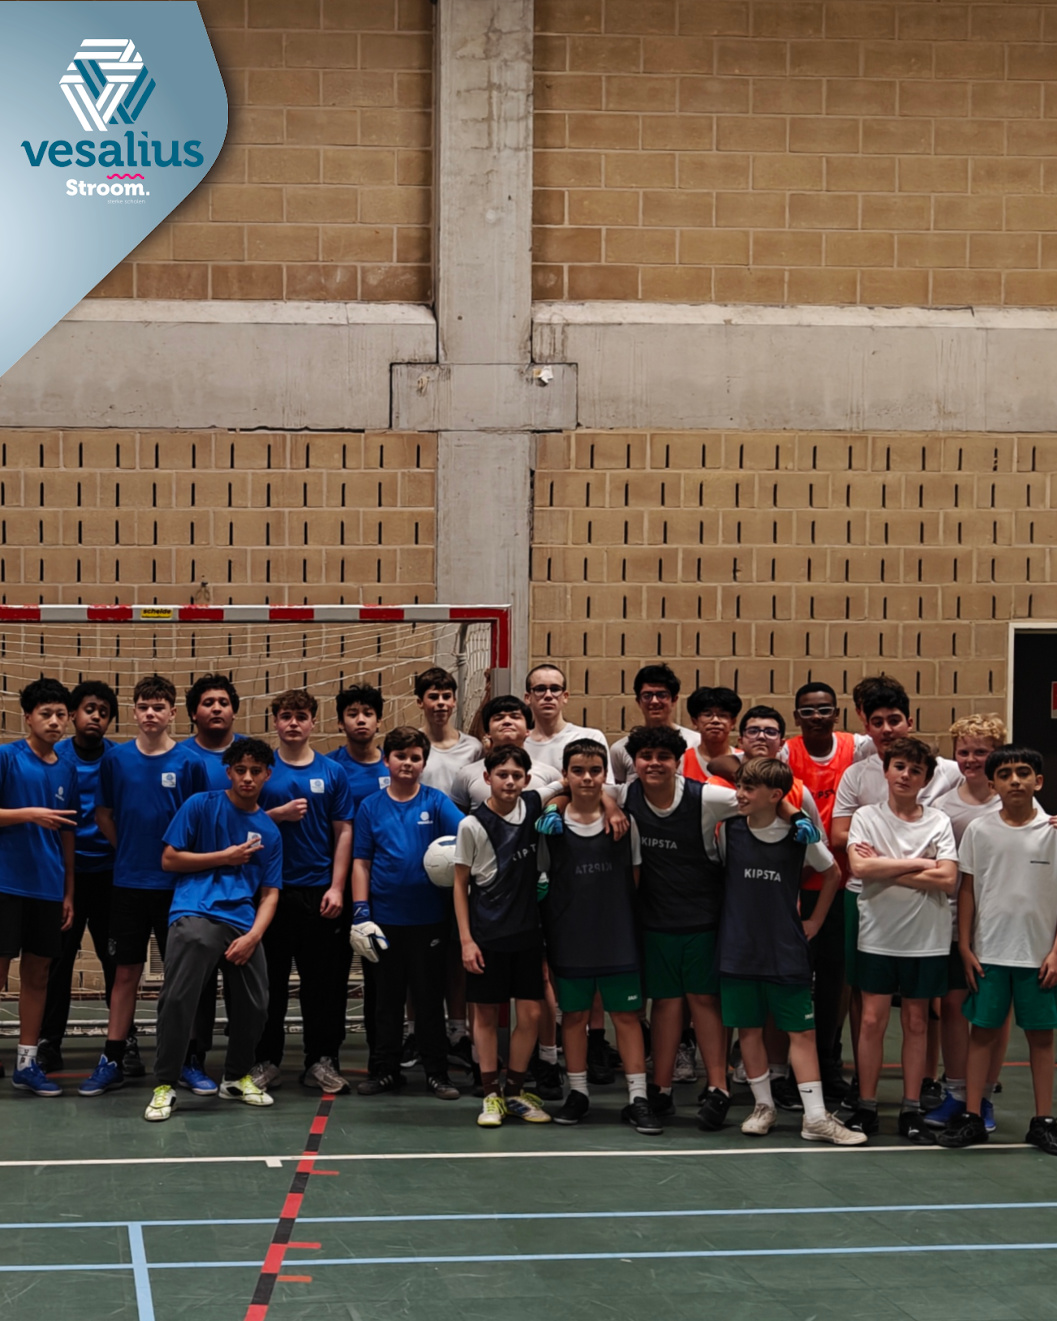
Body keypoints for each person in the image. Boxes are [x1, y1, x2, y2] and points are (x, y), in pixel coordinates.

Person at [717, 757, 862, 1145]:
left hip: (785, 948)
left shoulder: (799, 836)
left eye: (749, 789)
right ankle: (763, 1106)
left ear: (775, 796)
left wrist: (815, 921)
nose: (740, 794)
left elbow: (833, 874)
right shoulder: (728, 831)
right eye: (739, 786)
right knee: (749, 1029)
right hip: (738, 947)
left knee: (801, 1031)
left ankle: (815, 1117)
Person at [830, 676, 959, 1097]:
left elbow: (948, 873)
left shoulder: (946, 771)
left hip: (925, 915)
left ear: (909, 720)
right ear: (865, 724)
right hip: (869, 904)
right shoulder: (859, 778)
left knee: (921, 1011)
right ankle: (864, 1088)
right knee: (868, 1003)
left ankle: (922, 1086)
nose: (887, 728)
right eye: (878, 721)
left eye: (895, 720)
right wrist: (919, 862)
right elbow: (846, 844)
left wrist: (1042, 820)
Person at [82, 674, 208, 1098]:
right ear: (134, 712)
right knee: (125, 973)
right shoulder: (115, 760)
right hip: (128, 884)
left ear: (172, 713)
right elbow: (103, 814)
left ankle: (187, 1060)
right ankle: (112, 1059)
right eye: (143, 707)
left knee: (182, 977)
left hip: (178, 888)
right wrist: (130, 850)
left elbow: (199, 820)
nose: (150, 713)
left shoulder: (190, 763)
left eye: (159, 707)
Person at [147, 738, 283, 1122]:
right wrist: (225, 856)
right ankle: (165, 1084)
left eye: (255, 771)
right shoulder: (200, 805)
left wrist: (254, 936)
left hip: (242, 922)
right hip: (195, 912)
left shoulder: (270, 832)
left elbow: (270, 893)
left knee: (256, 1004)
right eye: (240, 770)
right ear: (229, 772)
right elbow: (169, 859)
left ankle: (236, 1077)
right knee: (179, 999)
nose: (247, 777)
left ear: (267, 775)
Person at [537, 738, 660, 1135]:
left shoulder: (625, 824)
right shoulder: (551, 825)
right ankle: (578, 1093)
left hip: (616, 935)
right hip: (569, 935)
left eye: (595, 771)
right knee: (573, 1016)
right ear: (565, 775)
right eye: (578, 771)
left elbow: (635, 878)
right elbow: (542, 877)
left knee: (625, 1016)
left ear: (606, 775)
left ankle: (638, 1098)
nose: (587, 778)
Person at [938, 746, 1057, 1154]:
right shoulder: (980, 831)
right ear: (993, 784)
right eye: (1005, 775)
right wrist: (965, 945)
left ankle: (1043, 1121)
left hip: (1038, 957)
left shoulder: (1053, 831)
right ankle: (972, 1115)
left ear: (1039, 781)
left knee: (1041, 1037)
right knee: (983, 1034)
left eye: (1023, 773)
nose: (1015, 781)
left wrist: (1055, 951)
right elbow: (967, 890)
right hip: (989, 954)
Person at [620, 725, 738, 1130]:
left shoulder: (707, 797)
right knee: (666, 1003)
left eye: (663, 757)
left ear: (678, 762)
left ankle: (719, 1087)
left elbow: (759, 796)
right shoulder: (624, 797)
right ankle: (662, 1088)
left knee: (703, 1000)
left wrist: (794, 815)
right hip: (655, 919)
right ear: (635, 762)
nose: (654, 763)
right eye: (646, 756)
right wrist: (606, 806)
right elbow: (570, 790)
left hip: (703, 917)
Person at [844, 736, 959, 1143]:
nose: (906, 775)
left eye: (915, 771)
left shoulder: (938, 821)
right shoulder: (866, 816)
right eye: (899, 767)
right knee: (871, 1020)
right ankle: (866, 1105)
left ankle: (911, 1109)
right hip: (877, 934)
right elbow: (860, 868)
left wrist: (885, 866)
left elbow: (947, 879)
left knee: (916, 1021)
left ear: (925, 779)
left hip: (927, 938)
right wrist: (921, 863)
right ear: (886, 770)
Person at [351, 726, 464, 1099]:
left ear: (424, 763)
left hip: (429, 920)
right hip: (383, 922)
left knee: (429, 1000)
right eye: (400, 756)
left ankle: (437, 1073)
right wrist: (361, 913)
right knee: (385, 1001)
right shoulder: (370, 807)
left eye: (416, 757)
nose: (408, 763)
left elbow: (468, 835)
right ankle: (384, 1070)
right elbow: (361, 863)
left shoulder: (436, 802)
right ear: (387, 760)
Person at [253, 689, 356, 1094]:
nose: (293, 723)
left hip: (319, 894)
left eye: (300, 716)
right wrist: (276, 815)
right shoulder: (261, 770)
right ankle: (266, 1061)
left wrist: (337, 887)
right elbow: (243, 821)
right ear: (275, 722)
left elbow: (344, 831)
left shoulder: (333, 772)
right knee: (270, 984)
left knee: (324, 985)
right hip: (271, 893)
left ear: (313, 722)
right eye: (285, 716)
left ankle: (321, 1061)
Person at [784, 681, 873, 1101]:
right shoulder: (786, 752)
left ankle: (829, 1059)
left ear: (837, 713)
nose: (817, 716)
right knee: (794, 976)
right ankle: (790, 1066)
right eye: (808, 710)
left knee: (836, 979)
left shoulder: (857, 747)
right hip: (796, 882)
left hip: (841, 880)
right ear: (797, 716)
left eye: (824, 709)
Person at [454, 745, 551, 1127]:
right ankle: (490, 1094)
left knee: (531, 1013)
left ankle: (514, 1091)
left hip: (527, 933)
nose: (509, 781)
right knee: (486, 1015)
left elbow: (565, 786)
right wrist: (466, 940)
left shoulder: (534, 804)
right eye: (502, 775)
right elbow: (460, 885)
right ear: (487, 778)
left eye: (516, 775)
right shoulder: (471, 825)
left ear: (526, 779)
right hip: (487, 934)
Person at [925, 714, 1010, 1133]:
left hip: (999, 923)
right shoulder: (943, 806)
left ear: (997, 754)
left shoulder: (1014, 801)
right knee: (953, 1005)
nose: (972, 759)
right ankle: (957, 1092)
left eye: (981, 751)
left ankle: (985, 1094)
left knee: (995, 1012)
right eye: (964, 752)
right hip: (953, 918)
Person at [38, 681, 121, 1076]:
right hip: (63, 877)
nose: (96, 717)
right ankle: (48, 1042)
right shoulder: (56, 757)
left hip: (110, 876)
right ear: (73, 714)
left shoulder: (118, 759)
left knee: (116, 961)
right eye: (90, 709)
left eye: (104, 712)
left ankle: (122, 1043)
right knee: (57, 963)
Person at [0, 679, 78, 1096]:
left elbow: (67, 832)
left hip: (47, 887)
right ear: (28, 717)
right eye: (45, 714)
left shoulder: (67, 768)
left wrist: (68, 891)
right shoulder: (7, 757)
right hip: (6, 882)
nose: (54, 721)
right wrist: (28, 814)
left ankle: (27, 1063)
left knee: (38, 974)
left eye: (60, 714)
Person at [450, 696, 563, 811]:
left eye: (515, 717)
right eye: (498, 718)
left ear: (528, 730)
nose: (507, 722)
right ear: (488, 732)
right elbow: (458, 818)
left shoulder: (550, 774)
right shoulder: (466, 774)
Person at [608, 664, 699, 784]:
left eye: (662, 695)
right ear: (638, 701)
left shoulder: (696, 743)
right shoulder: (620, 749)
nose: (654, 701)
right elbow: (619, 791)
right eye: (647, 696)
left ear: (674, 700)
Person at [523, 665, 611, 778]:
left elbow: (605, 785)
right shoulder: (520, 743)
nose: (548, 695)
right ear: (528, 697)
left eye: (555, 689)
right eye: (540, 689)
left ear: (565, 696)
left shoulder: (591, 737)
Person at [416, 666, 483, 797]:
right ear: (420, 702)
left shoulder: (473, 747)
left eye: (446, 696)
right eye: (433, 697)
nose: (441, 702)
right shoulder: (411, 745)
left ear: (454, 701)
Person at [329, 684, 391, 813]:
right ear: (341, 723)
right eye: (353, 715)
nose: (361, 720)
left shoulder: (393, 765)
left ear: (378, 721)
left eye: (368, 714)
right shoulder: (330, 767)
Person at [183, 673, 241, 789]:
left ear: (234, 712)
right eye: (208, 703)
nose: (217, 709)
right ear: (194, 713)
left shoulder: (252, 751)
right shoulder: (182, 755)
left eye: (223, 703)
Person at [681, 686, 741, 783]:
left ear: (733, 723)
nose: (715, 720)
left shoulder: (743, 760)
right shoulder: (681, 760)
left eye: (722, 715)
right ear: (695, 722)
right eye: (708, 715)